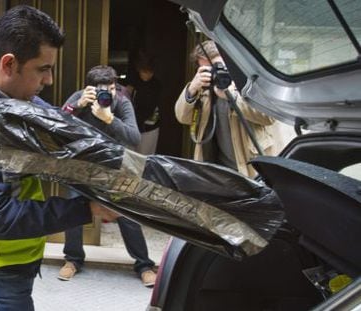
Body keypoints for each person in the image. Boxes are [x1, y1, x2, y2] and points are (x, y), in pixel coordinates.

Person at [0, 5, 115, 310]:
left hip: (8, 266)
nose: (49, 80)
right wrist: (86, 209)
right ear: (10, 64)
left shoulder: (13, 103)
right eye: (43, 68)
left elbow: (66, 136)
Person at [60, 65, 157, 287]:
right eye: (102, 90)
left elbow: (134, 137)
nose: (107, 93)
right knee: (72, 210)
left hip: (113, 167)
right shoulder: (80, 98)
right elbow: (56, 123)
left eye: (111, 88)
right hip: (80, 166)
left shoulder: (121, 101)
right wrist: (77, 105)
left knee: (126, 214)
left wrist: (109, 119)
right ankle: (73, 260)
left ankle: (144, 264)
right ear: (90, 88)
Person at [175, 40, 281, 177]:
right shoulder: (204, 89)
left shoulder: (249, 81)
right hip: (217, 168)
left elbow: (269, 117)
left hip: (250, 169)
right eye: (207, 69)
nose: (215, 73)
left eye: (218, 66)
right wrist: (191, 89)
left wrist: (233, 97)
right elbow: (182, 117)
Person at [126, 52, 161, 155]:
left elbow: (150, 107)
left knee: (145, 156)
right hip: (132, 124)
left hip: (149, 126)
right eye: (144, 71)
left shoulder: (156, 85)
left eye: (150, 72)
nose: (147, 75)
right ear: (139, 70)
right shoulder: (132, 82)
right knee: (130, 156)